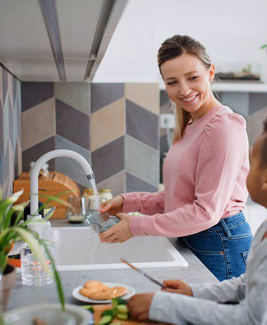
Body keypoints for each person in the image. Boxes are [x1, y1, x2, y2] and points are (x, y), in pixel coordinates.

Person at [124, 105, 267, 324]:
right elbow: (249, 283)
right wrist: (194, 292)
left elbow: (249, 319)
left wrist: (164, 306)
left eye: (252, 162)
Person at [98, 35, 252, 281]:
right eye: (173, 82)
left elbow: (205, 212)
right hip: (199, 236)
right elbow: (180, 197)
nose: (184, 90)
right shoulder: (191, 126)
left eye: (193, 78)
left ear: (210, 72)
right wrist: (128, 202)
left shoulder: (222, 126)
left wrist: (135, 226)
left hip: (219, 240)